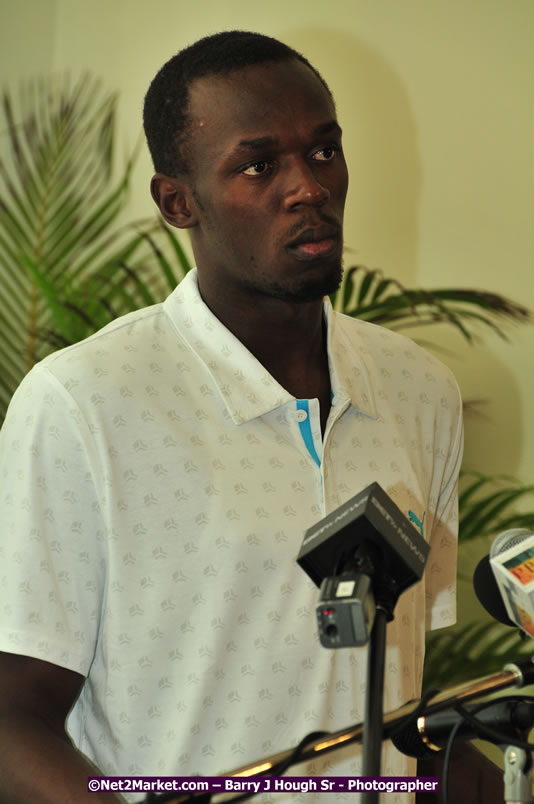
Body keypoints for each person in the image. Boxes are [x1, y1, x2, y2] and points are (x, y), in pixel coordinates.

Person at [0, 31, 463, 803]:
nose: (308, 187)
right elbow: (12, 720)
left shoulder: (421, 390)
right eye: (259, 165)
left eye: (323, 152)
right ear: (177, 201)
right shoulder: (83, 402)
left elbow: (400, 684)